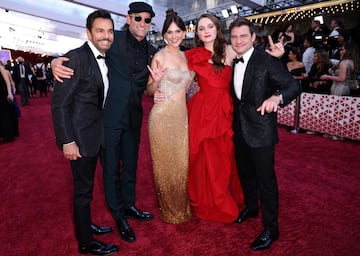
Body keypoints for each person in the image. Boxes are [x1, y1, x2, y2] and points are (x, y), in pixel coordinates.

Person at [52, 2, 156, 243]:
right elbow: (84, 54)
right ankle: (118, 215)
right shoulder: (112, 38)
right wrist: (55, 61)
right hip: (108, 119)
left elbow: (151, 84)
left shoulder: (152, 49)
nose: (142, 23)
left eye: (147, 20)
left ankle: (129, 205)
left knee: (130, 165)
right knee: (111, 170)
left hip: (134, 118)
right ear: (129, 18)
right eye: (138, 18)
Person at [50, 10, 119, 255]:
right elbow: (59, 104)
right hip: (79, 138)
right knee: (83, 190)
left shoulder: (105, 57)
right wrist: (67, 141)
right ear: (88, 33)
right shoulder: (75, 59)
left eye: (110, 31)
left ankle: (84, 226)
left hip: (95, 135)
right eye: (100, 31)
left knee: (86, 188)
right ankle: (85, 242)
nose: (106, 36)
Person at [229, 17, 301, 251]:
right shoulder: (233, 60)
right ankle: (251, 208)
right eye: (234, 37)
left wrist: (276, 98)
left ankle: (271, 228)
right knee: (245, 173)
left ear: (253, 38)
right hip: (239, 129)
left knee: (266, 181)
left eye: (243, 36)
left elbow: (292, 86)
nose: (238, 41)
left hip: (261, 130)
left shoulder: (267, 60)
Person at [182, 13, 245, 223]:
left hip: (224, 110)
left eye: (210, 26)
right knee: (203, 158)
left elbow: (251, 65)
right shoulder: (192, 55)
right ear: (197, 34)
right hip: (202, 112)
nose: (206, 31)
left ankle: (225, 196)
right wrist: (159, 89)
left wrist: (274, 57)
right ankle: (211, 201)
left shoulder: (230, 50)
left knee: (224, 156)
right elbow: (181, 82)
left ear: (217, 28)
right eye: (201, 28)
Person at [146, 14, 192, 224]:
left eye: (177, 31)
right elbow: (148, 89)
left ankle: (182, 207)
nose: (174, 36)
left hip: (182, 118)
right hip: (163, 116)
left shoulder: (186, 57)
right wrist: (155, 87)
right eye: (169, 32)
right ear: (164, 35)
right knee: (165, 166)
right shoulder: (159, 56)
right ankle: (169, 210)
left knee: (181, 164)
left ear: (184, 32)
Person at [0, 62, 16, 142]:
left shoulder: (1, 68)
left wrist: (10, 93)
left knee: (4, 116)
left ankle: (8, 136)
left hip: (2, 95)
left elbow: (7, 82)